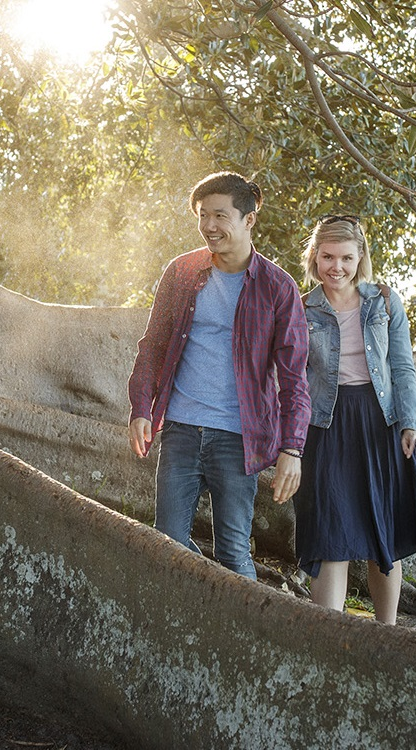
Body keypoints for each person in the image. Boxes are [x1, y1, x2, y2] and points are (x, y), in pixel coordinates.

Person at [127, 172, 310, 579]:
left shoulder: (278, 288)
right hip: (181, 427)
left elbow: (295, 379)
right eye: (203, 215)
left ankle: (243, 635)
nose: (210, 226)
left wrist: (292, 449)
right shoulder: (182, 272)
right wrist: (141, 407)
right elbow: (153, 346)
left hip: (238, 436)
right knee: (166, 543)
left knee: (232, 550)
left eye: (221, 215)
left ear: (249, 219)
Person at [283, 215, 416, 623]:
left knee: (385, 536)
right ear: (315, 257)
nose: (336, 267)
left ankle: (386, 632)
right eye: (327, 257)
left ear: (360, 258)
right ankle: (328, 638)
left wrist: (411, 425)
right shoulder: (301, 308)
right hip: (325, 427)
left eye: (345, 257)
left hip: (382, 427)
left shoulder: (385, 301)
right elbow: (292, 378)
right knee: (330, 535)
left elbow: (403, 368)